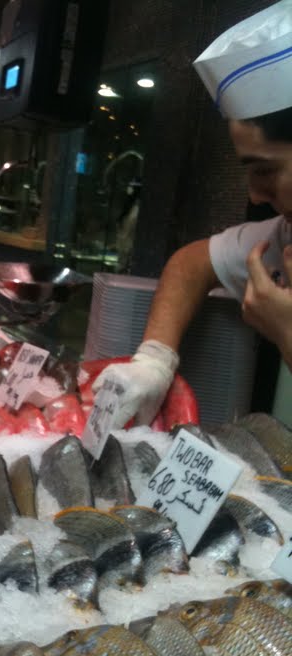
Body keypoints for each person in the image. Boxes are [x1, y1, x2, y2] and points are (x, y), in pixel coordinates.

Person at [93, 0, 292, 428]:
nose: (255, 195)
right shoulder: (283, 238)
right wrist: (154, 362)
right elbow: (191, 263)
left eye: (266, 170)